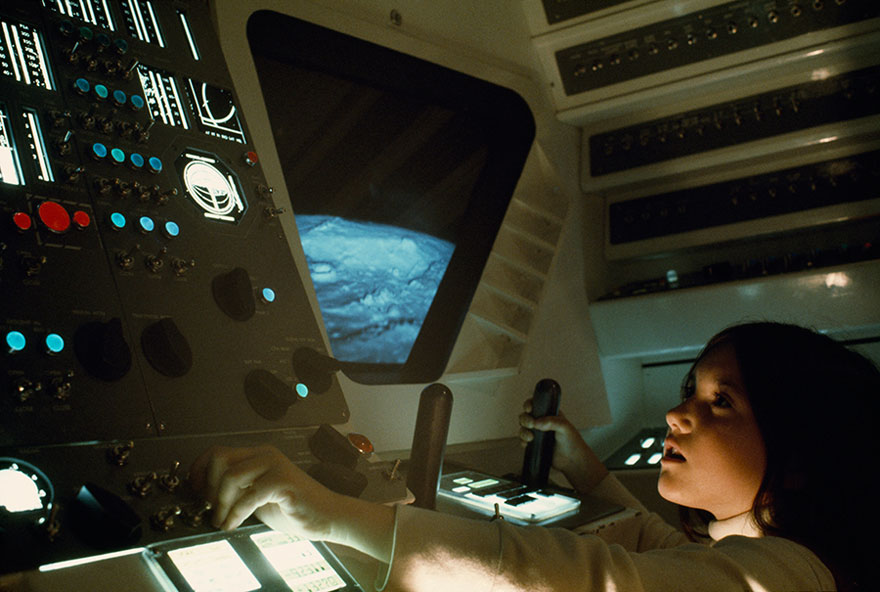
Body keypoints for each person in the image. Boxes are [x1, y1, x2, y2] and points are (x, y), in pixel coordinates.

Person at [189, 322, 876, 591]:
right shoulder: (767, 554)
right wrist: (581, 460)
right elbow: (655, 544)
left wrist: (332, 514)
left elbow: (599, 582)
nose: (677, 413)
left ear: (798, 457)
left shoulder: (788, 578)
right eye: (686, 390)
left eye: (721, 402)